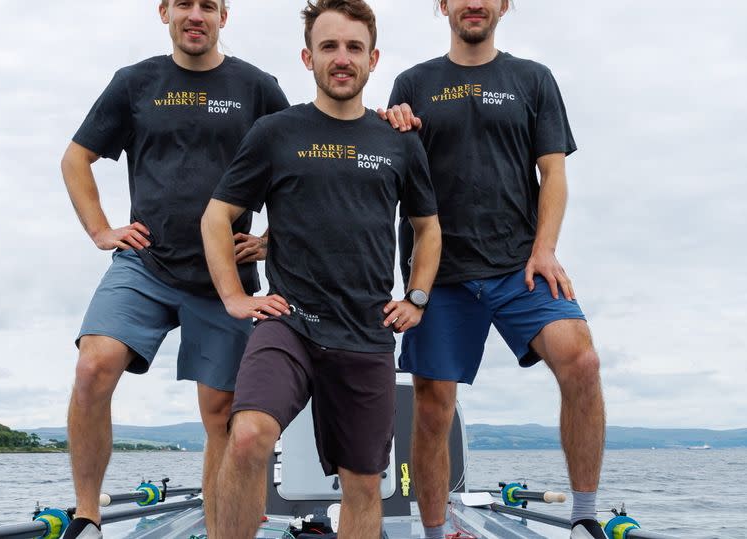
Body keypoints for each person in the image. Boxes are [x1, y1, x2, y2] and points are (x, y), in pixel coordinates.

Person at [201, 1, 442, 537]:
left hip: (365, 331)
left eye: (354, 47)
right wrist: (234, 299)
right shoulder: (274, 133)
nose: (342, 58)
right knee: (246, 438)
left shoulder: (398, 140)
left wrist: (417, 296)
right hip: (290, 323)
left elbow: (427, 227)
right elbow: (217, 216)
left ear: (373, 59)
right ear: (307, 57)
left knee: (363, 485)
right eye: (329, 46)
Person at [59, 1, 290, 537]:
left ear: (223, 17)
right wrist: (100, 229)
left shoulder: (258, 87)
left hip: (225, 278)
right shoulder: (134, 82)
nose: (195, 14)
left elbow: (297, 165)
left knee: (220, 411)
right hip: (145, 263)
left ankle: (219, 528)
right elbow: (75, 159)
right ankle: (88, 515)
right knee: (94, 366)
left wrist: (271, 240)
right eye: (183, 3)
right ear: (164, 11)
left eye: (208, 5)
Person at [388, 1, 607, 538]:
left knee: (581, 362)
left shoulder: (532, 79)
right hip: (439, 274)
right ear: (443, 5)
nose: (474, 3)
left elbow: (552, 172)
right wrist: (392, 127)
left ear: (504, 4)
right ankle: (436, 532)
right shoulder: (412, 81)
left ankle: (583, 516)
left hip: (520, 266)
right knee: (434, 408)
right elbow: (385, 177)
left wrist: (545, 248)